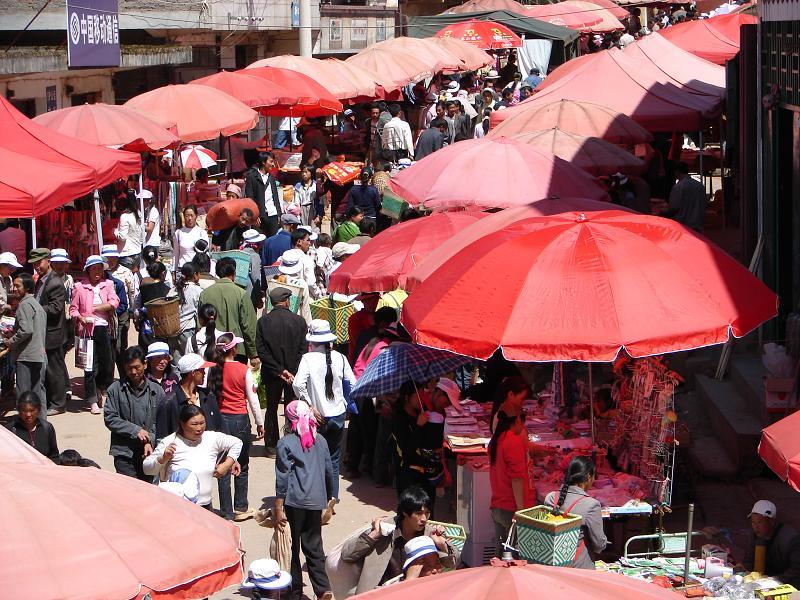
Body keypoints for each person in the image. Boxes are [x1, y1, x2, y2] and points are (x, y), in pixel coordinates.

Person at [340, 487, 457, 594]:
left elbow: (454, 563)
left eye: (427, 513)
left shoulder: (430, 534)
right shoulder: (384, 529)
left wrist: (443, 545)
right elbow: (347, 554)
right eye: (418, 513)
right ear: (405, 512)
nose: (424, 519)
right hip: (379, 593)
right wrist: (373, 535)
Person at [274, 400, 334, 600]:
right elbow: (329, 471)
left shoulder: (285, 443)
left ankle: (295, 591)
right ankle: (323, 588)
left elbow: (283, 476)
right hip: (316, 499)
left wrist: (278, 505)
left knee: (292, 547)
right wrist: (328, 498)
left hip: (295, 501)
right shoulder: (322, 441)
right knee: (314, 545)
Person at [293, 319, 356, 502]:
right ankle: (332, 497)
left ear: (312, 341)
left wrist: (310, 404)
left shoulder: (308, 359)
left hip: (317, 417)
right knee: (333, 459)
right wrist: (343, 401)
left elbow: (298, 384)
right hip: (338, 415)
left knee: (315, 458)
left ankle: (317, 496)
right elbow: (352, 383)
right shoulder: (341, 358)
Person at [208, 332, 265, 520]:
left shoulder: (213, 370)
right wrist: (259, 422)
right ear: (233, 349)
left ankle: (226, 512)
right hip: (240, 419)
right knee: (243, 463)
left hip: (219, 420)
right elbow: (253, 399)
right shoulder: (243, 370)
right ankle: (240, 507)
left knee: (223, 464)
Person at [145, 404, 242, 509]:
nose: (199, 428)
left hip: (205, 506)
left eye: (202, 423)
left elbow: (237, 443)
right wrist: (162, 458)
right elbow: (147, 468)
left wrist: (227, 464)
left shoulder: (211, 438)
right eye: (194, 424)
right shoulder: (170, 442)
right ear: (182, 424)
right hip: (176, 507)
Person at [257, 286, 307, 456]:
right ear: (287, 301)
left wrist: (279, 371)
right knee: (292, 408)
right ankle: (291, 443)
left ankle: (271, 446)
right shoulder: (299, 322)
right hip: (294, 375)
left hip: (272, 374)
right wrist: (290, 372)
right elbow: (303, 349)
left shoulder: (263, 322)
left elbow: (261, 350)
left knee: (271, 409)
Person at [104, 346, 165, 480]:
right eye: (129, 368)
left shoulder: (157, 391)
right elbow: (110, 418)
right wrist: (135, 430)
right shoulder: (115, 390)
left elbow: (160, 422)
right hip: (124, 452)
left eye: (137, 367)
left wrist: (150, 440)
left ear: (145, 364)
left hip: (148, 453)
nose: (133, 372)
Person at [544, 456, 608, 569]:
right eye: (594, 477)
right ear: (588, 476)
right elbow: (599, 545)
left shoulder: (550, 498)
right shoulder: (591, 505)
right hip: (579, 567)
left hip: (551, 564)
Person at [489, 409, 537, 557]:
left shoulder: (497, 440)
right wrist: (521, 511)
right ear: (517, 421)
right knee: (515, 560)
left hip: (499, 506)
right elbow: (516, 478)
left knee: (501, 558)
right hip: (511, 509)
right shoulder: (512, 441)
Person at [198, 256, 259, 367]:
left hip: (212, 349)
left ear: (217, 273)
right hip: (236, 351)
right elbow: (249, 327)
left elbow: (200, 323)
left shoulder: (205, 294)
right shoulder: (241, 293)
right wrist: (253, 354)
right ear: (234, 273)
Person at [30, 248, 67, 417]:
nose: (37, 266)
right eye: (34, 264)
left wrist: (35, 309)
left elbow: (56, 308)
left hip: (53, 332)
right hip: (45, 331)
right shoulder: (42, 279)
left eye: (39, 262)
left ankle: (59, 403)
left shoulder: (54, 282)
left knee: (54, 368)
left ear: (47, 260)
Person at [5, 272, 47, 413]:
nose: (14, 289)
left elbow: (26, 330)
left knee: (24, 394)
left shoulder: (24, 305)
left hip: (26, 356)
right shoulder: (37, 305)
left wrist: (10, 341)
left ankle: (23, 429)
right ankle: (41, 425)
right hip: (39, 355)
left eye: (18, 286)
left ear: (27, 288)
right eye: (13, 286)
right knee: (38, 393)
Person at [155, 352, 220, 441]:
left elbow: (220, 428)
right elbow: (161, 438)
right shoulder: (169, 403)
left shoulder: (209, 397)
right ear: (193, 373)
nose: (205, 373)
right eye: (202, 370)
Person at [740, 500, 800, 586]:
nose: (755, 526)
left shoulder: (789, 538)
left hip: (790, 585)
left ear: (771, 521)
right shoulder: (755, 536)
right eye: (753, 522)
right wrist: (743, 570)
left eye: (760, 522)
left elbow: (797, 569)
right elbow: (749, 560)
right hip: (764, 581)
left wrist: (775, 580)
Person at [101, 245, 137, 375]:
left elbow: (132, 293)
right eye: (108, 258)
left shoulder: (125, 272)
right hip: (104, 315)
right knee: (107, 349)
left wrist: (132, 312)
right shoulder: (100, 273)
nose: (111, 261)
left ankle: (124, 375)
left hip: (121, 314)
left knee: (119, 348)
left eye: (113, 258)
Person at [6, 391, 59, 460]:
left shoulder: (47, 428)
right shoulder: (10, 430)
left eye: (32, 410)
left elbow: (54, 456)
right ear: (19, 410)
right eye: (24, 411)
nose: (28, 414)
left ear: (39, 410)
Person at [245, 152, 282, 237]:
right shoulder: (252, 177)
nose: (273, 164)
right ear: (263, 162)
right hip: (260, 216)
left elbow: (275, 197)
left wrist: (279, 214)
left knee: (273, 239)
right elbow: (250, 198)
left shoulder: (271, 178)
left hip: (273, 214)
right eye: (271, 161)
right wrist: (254, 215)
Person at [662, 161, 707, 232]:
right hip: (698, 225)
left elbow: (674, 208)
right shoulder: (700, 186)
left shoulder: (678, 187)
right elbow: (704, 203)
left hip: (683, 226)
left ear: (677, 171)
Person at [176, 262, 203, 355]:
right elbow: (199, 311)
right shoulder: (197, 290)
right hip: (187, 329)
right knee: (190, 358)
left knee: (176, 363)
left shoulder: (174, 289)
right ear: (195, 275)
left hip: (173, 330)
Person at [114, 190, 144, 269]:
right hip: (137, 251)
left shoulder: (125, 216)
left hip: (126, 253)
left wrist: (115, 231)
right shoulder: (138, 214)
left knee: (125, 278)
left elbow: (122, 237)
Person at [174, 205, 209, 271]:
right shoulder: (178, 233)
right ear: (184, 217)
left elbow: (206, 253)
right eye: (187, 216)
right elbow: (175, 254)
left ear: (196, 216)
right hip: (182, 269)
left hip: (197, 270)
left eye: (192, 215)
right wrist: (174, 271)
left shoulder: (202, 232)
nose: (190, 218)